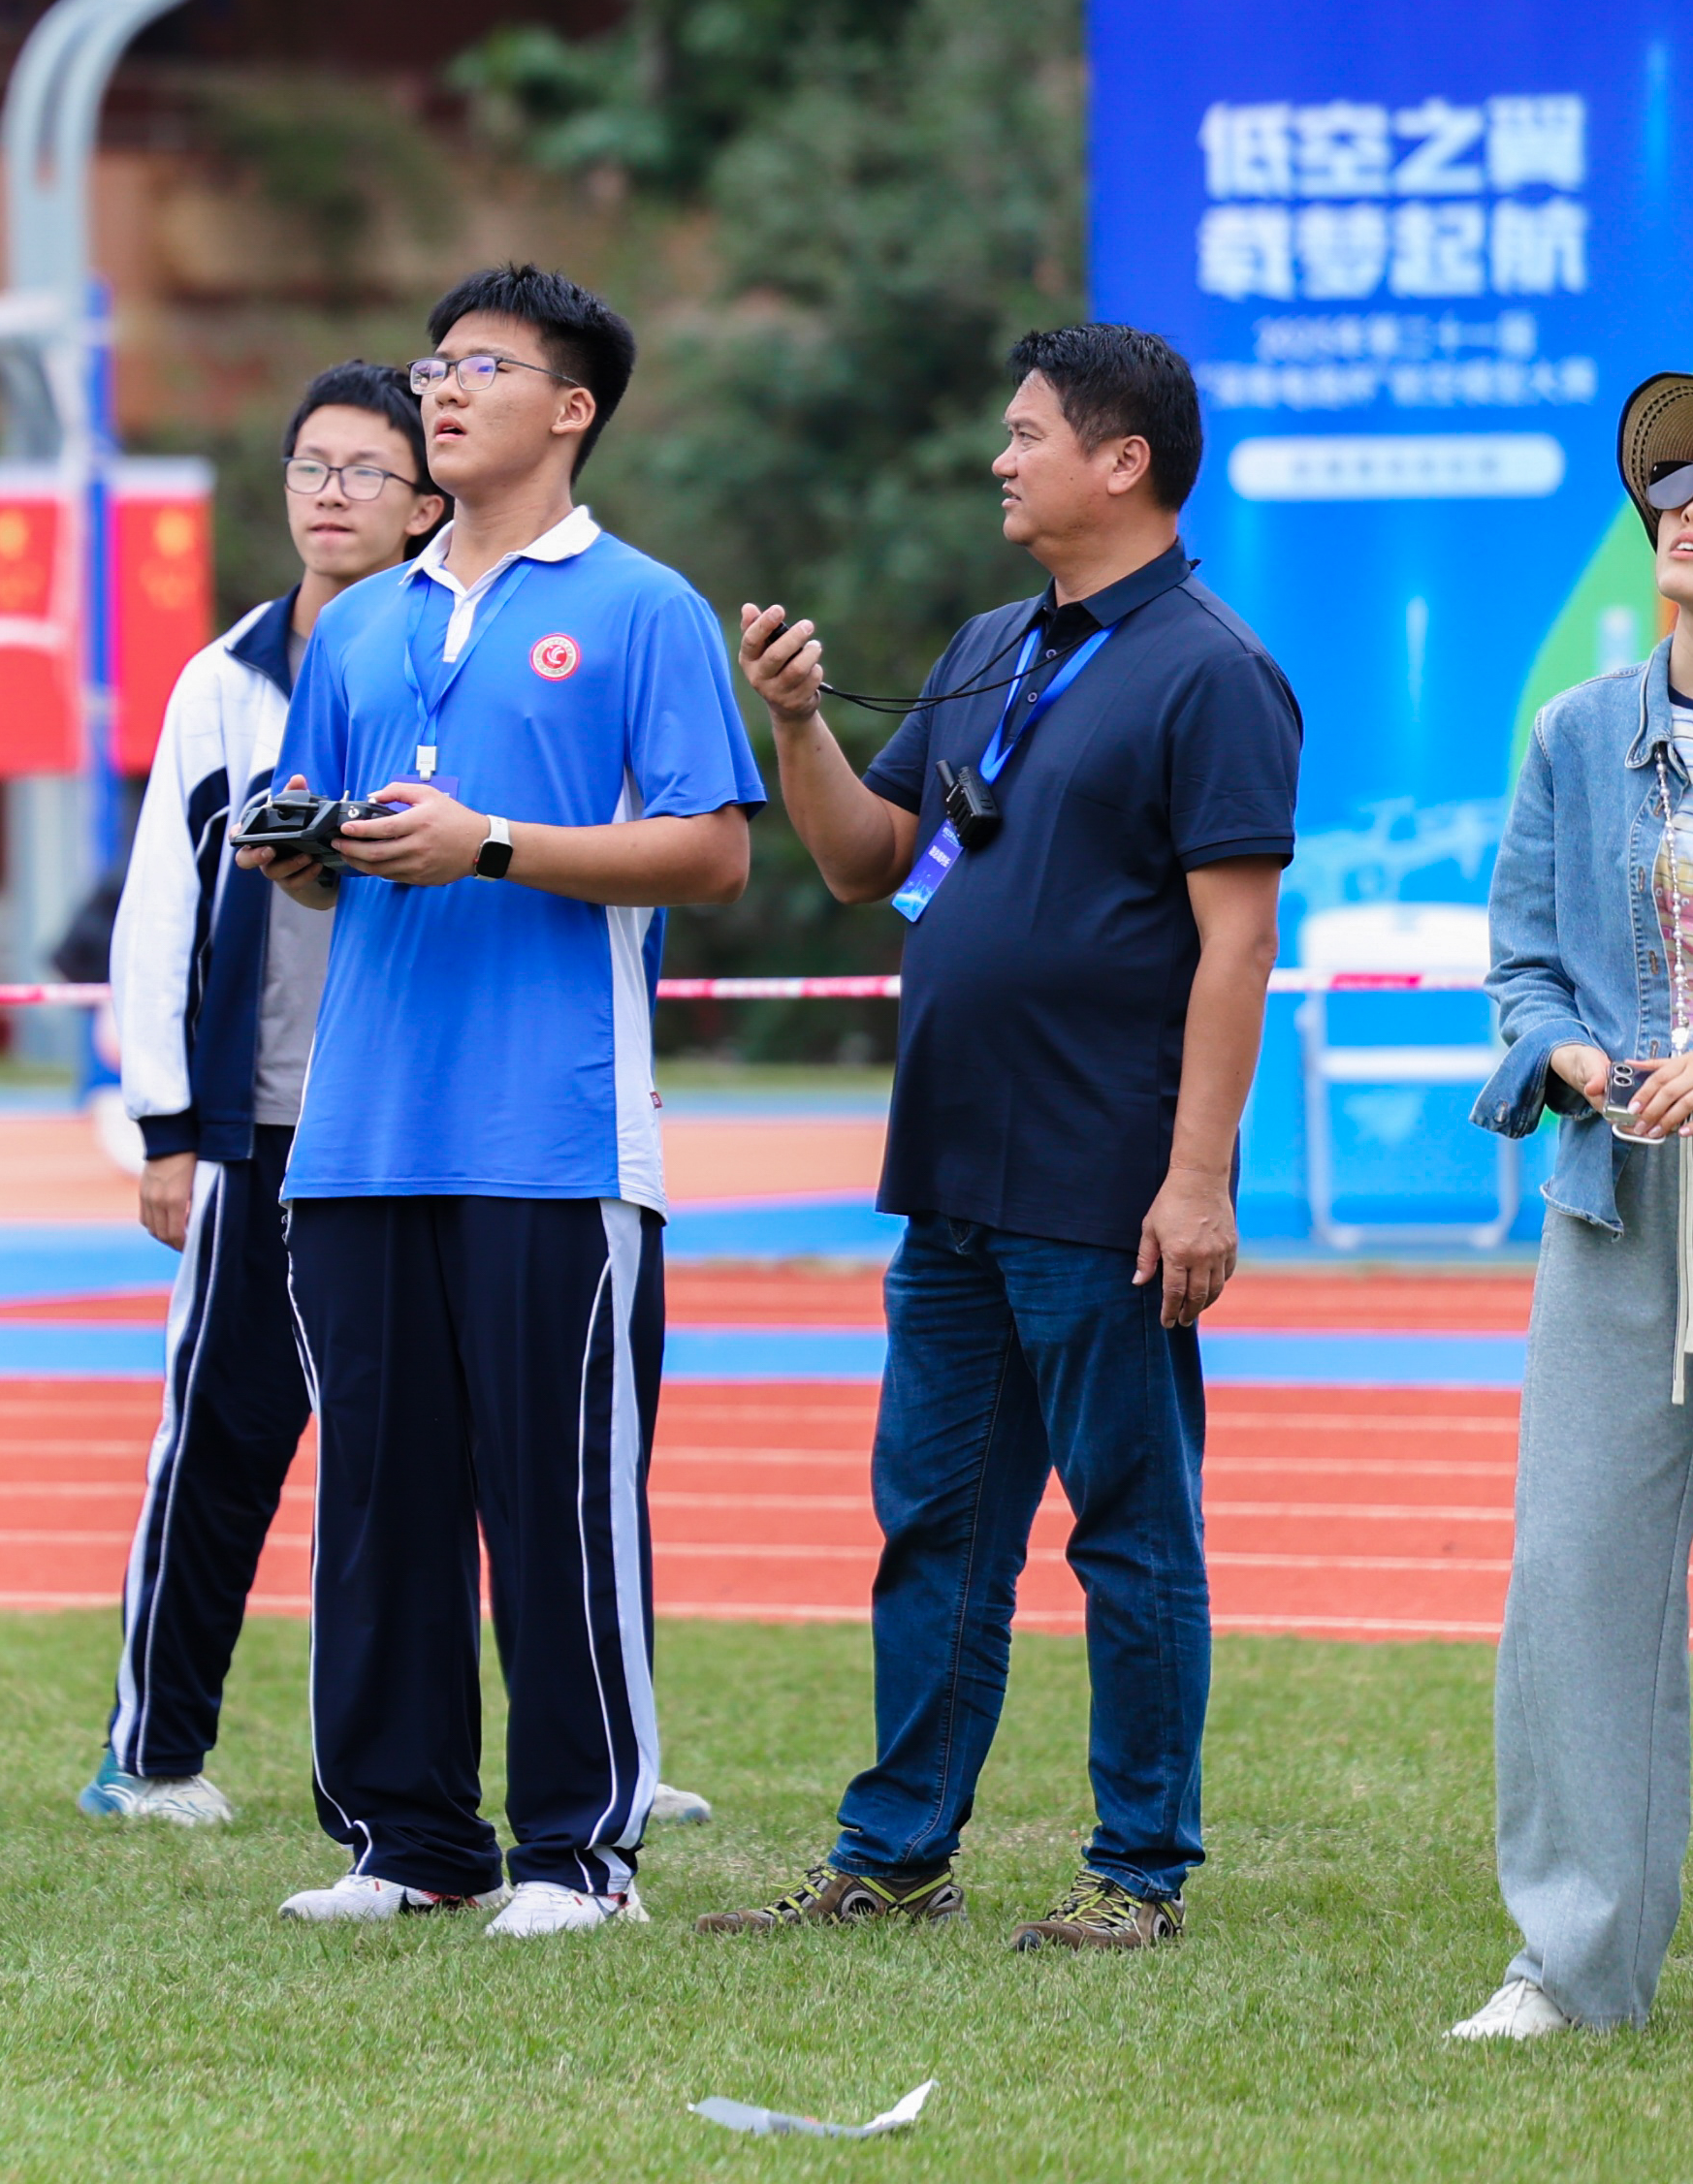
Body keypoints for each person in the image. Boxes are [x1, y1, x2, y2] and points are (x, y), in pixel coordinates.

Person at [708, 326, 1293, 1956]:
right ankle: (894, 1854)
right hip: (954, 1167)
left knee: (1128, 1523)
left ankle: (1139, 1871)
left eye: (1027, 433)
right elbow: (861, 860)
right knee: (937, 1522)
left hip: (1105, 1180)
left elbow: (1234, 948)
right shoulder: (987, 646)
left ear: (1125, 461)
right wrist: (799, 724)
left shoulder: (1215, 672)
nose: (999, 459)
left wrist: (1196, 1176)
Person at [254, 265, 756, 1938]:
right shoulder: (367, 619)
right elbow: (335, 869)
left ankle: (576, 1852)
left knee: (555, 1505)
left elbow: (712, 849)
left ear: (573, 406)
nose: (443, 391)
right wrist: (307, 848)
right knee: (381, 1505)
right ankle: (409, 1842)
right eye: (434, 364)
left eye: (484, 365)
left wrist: (494, 842)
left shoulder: (643, 609)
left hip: (555, 1134)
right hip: (360, 1134)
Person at [1450, 377, 1693, 2042]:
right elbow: (1519, 964)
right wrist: (1575, 1055)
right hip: (1611, 1204)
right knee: (1574, 1581)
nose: (1685, 500)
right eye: (1668, 479)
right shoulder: (1578, 735)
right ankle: (1573, 1970)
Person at [80, 363, 441, 1826]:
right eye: (312, 466)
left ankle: (584, 1755)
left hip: (428, 1120)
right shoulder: (220, 682)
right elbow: (160, 908)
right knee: (223, 1439)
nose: (334, 492)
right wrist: (168, 1126)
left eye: (368, 470)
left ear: (429, 504)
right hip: (266, 1123)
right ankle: (154, 1756)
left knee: (464, 1450)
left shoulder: (454, 662)